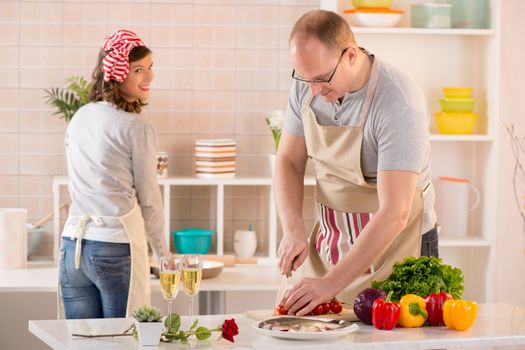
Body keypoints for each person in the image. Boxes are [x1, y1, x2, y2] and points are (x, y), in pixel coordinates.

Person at [275, 10, 438, 316]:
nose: (312, 91)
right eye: (304, 79)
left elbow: (395, 212)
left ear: (350, 55)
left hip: (398, 245)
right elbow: (288, 161)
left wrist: (330, 283)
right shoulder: (309, 82)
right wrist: (293, 228)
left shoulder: (398, 101)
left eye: (321, 79)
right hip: (332, 241)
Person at [58, 29, 169, 319]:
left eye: (150, 67)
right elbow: (149, 198)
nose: (150, 77)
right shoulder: (136, 126)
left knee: (80, 341)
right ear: (118, 74)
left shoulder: (80, 116)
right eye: (139, 70)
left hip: (73, 248)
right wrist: (163, 255)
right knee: (121, 341)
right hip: (114, 249)